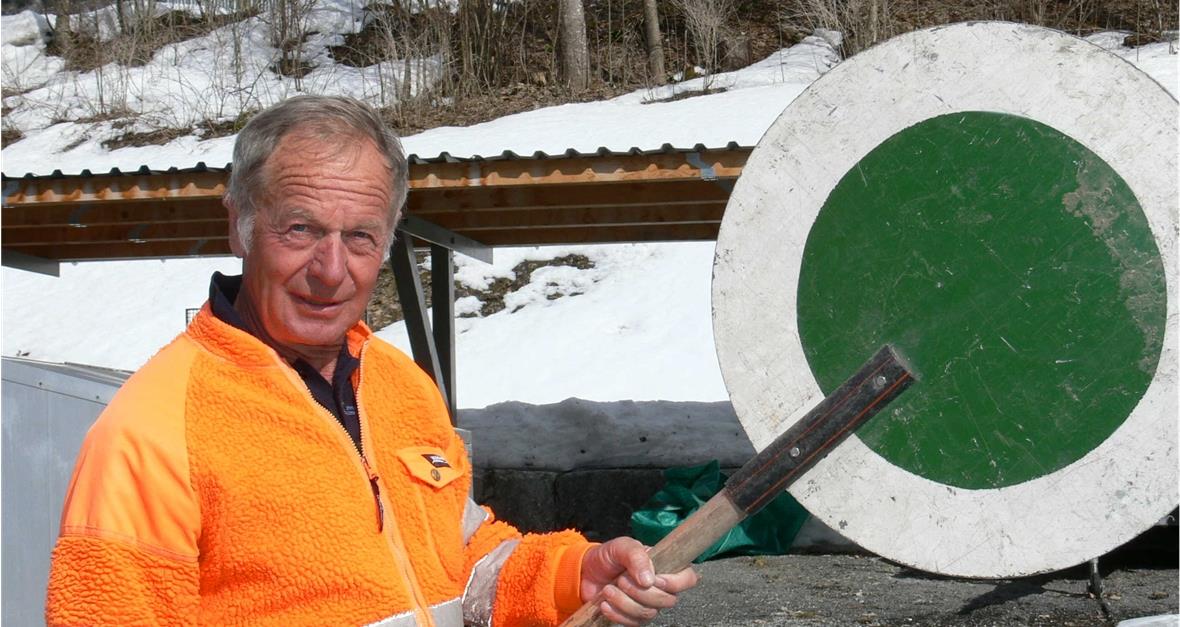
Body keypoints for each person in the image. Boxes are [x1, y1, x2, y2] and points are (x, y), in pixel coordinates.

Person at [44, 95, 697, 627]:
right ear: (238, 223)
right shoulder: (149, 432)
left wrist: (570, 574)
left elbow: (463, 561)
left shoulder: (400, 384)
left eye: (360, 236)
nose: (331, 271)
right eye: (300, 229)